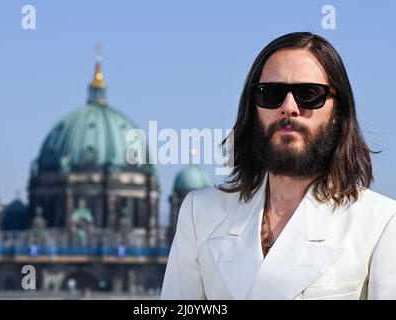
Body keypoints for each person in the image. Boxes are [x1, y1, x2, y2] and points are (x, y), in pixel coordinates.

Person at [161, 32, 396, 300]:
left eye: (309, 94)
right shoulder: (199, 213)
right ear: (253, 108)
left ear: (337, 113)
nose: (289, 107)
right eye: (270, 94)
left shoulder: (382, 223)